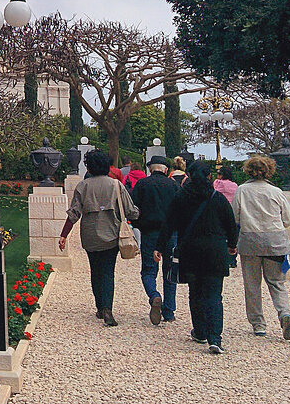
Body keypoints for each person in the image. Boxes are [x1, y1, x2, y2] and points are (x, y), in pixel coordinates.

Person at [157, 160, 238, 354]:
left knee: (195, 292)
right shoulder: (217, 199)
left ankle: (200, 331)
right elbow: (231, 224)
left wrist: (160, 246)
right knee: (214, 294)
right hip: (215, 250)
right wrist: (232, 245)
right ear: (209, 176)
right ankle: (215, 337)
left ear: (190, 176)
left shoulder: (181, 197)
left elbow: (169, 223)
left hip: (190, 249)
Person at [58, 150, 140, 327]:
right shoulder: (116, 185)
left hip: (90, 235)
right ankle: (108, 309)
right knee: (108, 271)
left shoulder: (83, 186)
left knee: (95, 270)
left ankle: (99, 307)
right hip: (111, 234)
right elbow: (131, 211)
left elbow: (74, 214)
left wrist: (64, 234)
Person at [232, 155, 290, 340]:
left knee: (252, 285)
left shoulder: (242, 190)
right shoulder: (276, 192)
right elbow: (288, 219)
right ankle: (284, 313)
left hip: (250, 241)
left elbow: (234, 216)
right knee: (277, 283)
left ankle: (258, 324)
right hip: (276, 240)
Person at [131, 155, 181, 324]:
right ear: (166, 170)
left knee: (149, 271)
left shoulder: (142, 184)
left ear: (150, 169)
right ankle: (169, 311)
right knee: (170, 273)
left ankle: (154, 296)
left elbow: (134, 208)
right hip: (171, 233)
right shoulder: (174, 186)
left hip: (150, 232)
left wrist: (138, 225)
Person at [213, 164, 240, 268]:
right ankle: (232, 260)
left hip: (220, 213)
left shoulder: (218, 183)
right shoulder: (235, 185)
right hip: (233, 212)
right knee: (233, 236)